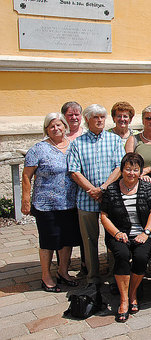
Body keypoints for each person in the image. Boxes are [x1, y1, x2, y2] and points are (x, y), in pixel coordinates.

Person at [68, 104, 125, 288]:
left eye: (102, 117)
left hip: (110, 198)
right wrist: (92, 189)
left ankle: (115, 273)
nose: (100, 120)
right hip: (86, 199)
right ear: (87, 120)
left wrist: (104, 188)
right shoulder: (78, 143)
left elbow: (119, 166)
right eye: (95, 117)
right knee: (89, 240)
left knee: (113, 237)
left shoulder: (114, 140)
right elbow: (74, 172)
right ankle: (92, 276)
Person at [22, 113, 80, 292]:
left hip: (70, 202)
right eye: (52, 126)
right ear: (46, 129)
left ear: (65, 126)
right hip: (46, 204)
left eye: (59, 125)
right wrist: (25, 200)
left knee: (67, 239)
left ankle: (63, 271)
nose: (56, 129)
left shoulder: (73, 146)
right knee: (48, 240)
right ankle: (46, 275)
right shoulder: (38, 149)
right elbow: (26, 175)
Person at [100, 153, 151, 322]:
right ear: (121, 170)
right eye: (128, 169)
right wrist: (117, 233)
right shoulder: (111, 189)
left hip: (142, 233)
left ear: (140, 171)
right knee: (123, 256)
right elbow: (104, 216)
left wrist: (146, 232)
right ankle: (124, 300)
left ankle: (133, 294)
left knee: (141, 257)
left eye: (135, 170)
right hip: (118, 233)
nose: (131, 173)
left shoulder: (147, 187)